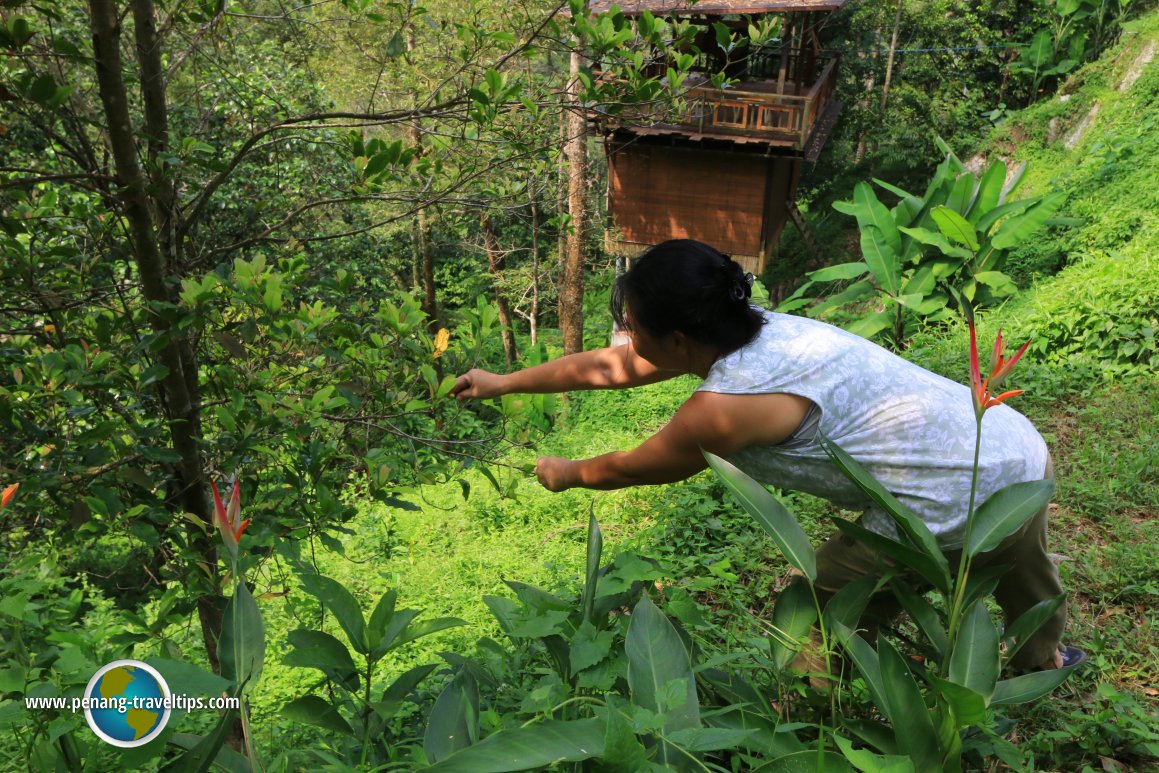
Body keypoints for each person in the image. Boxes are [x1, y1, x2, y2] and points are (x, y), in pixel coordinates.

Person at [450, 239, 1082, 672]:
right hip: (1010, 447)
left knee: (817, 612)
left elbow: (635, 467)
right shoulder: (756, 328)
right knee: (1022, 560)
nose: (626, 336)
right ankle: (1042, 661)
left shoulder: (724, 407)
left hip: (951, 496)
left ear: (675, 338)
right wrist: (503, 382)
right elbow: (612, 365)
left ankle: (813, 719)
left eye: (632, 324)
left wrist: (566, 474)